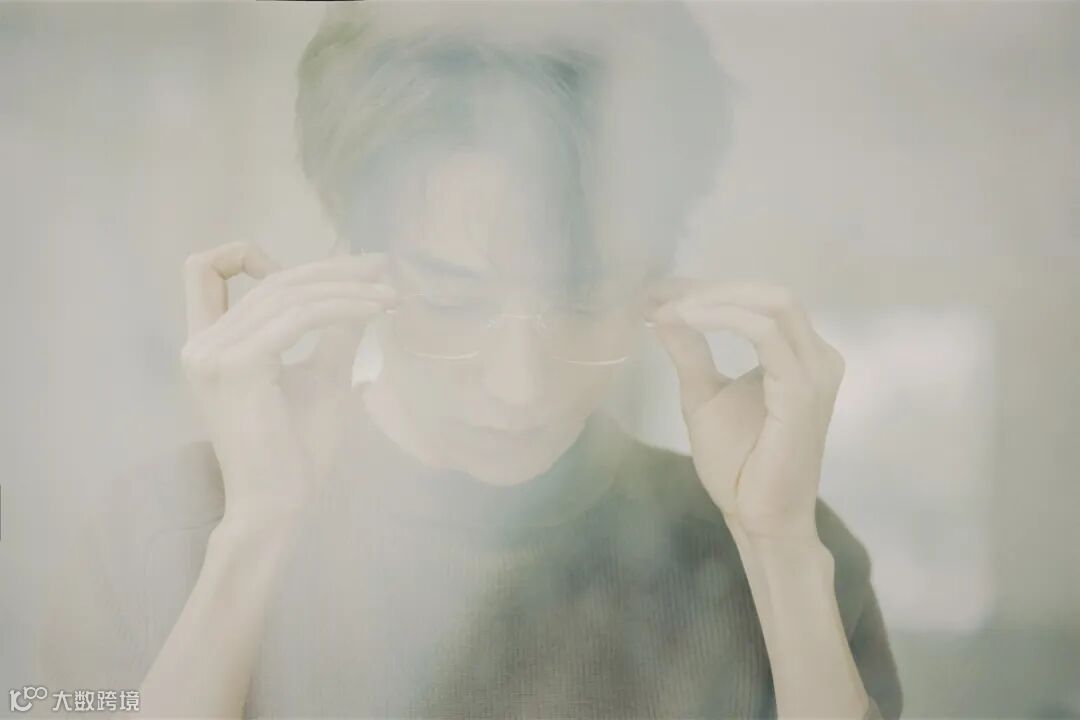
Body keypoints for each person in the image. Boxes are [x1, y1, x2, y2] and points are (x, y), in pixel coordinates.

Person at [39, 3, 903, 719]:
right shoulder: (158, 534)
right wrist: (254, 532)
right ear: (355, 261)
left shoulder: (780, 547)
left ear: (658, 278)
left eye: (585, 297)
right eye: (453, 297)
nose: (520, 386)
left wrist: (778, 551)